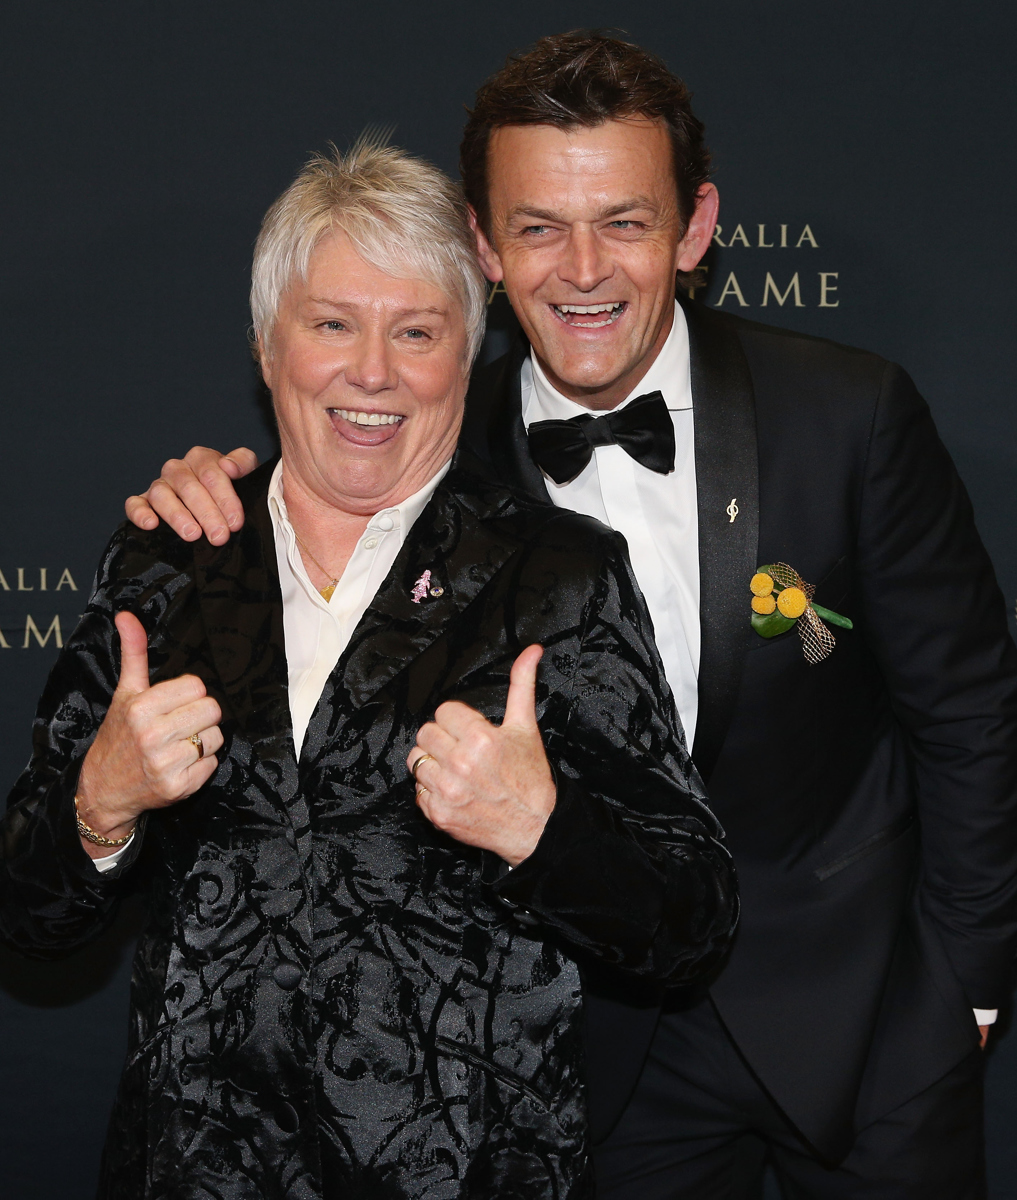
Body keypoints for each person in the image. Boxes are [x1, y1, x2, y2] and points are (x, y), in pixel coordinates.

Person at [131, 31, 1017, 1200]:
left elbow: (971, 718)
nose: (583, 269)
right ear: (485, 247)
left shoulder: (848, 416)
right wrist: (209, 499)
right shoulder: (428, 449)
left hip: (865, 1029)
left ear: (696, 229)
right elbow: (305, 505)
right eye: (540, 227)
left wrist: (967, 990)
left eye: (627, 222)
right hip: (592, 1059)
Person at [0, 139, 737, 1200]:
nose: (374, 372)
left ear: (465, 352)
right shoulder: (168, 562)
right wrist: (100, 804)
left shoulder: (556, 575)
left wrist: (543, 830)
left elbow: (693, 918)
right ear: (268, 345)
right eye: (333, 324)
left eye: (418, 332)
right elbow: (28, 908)